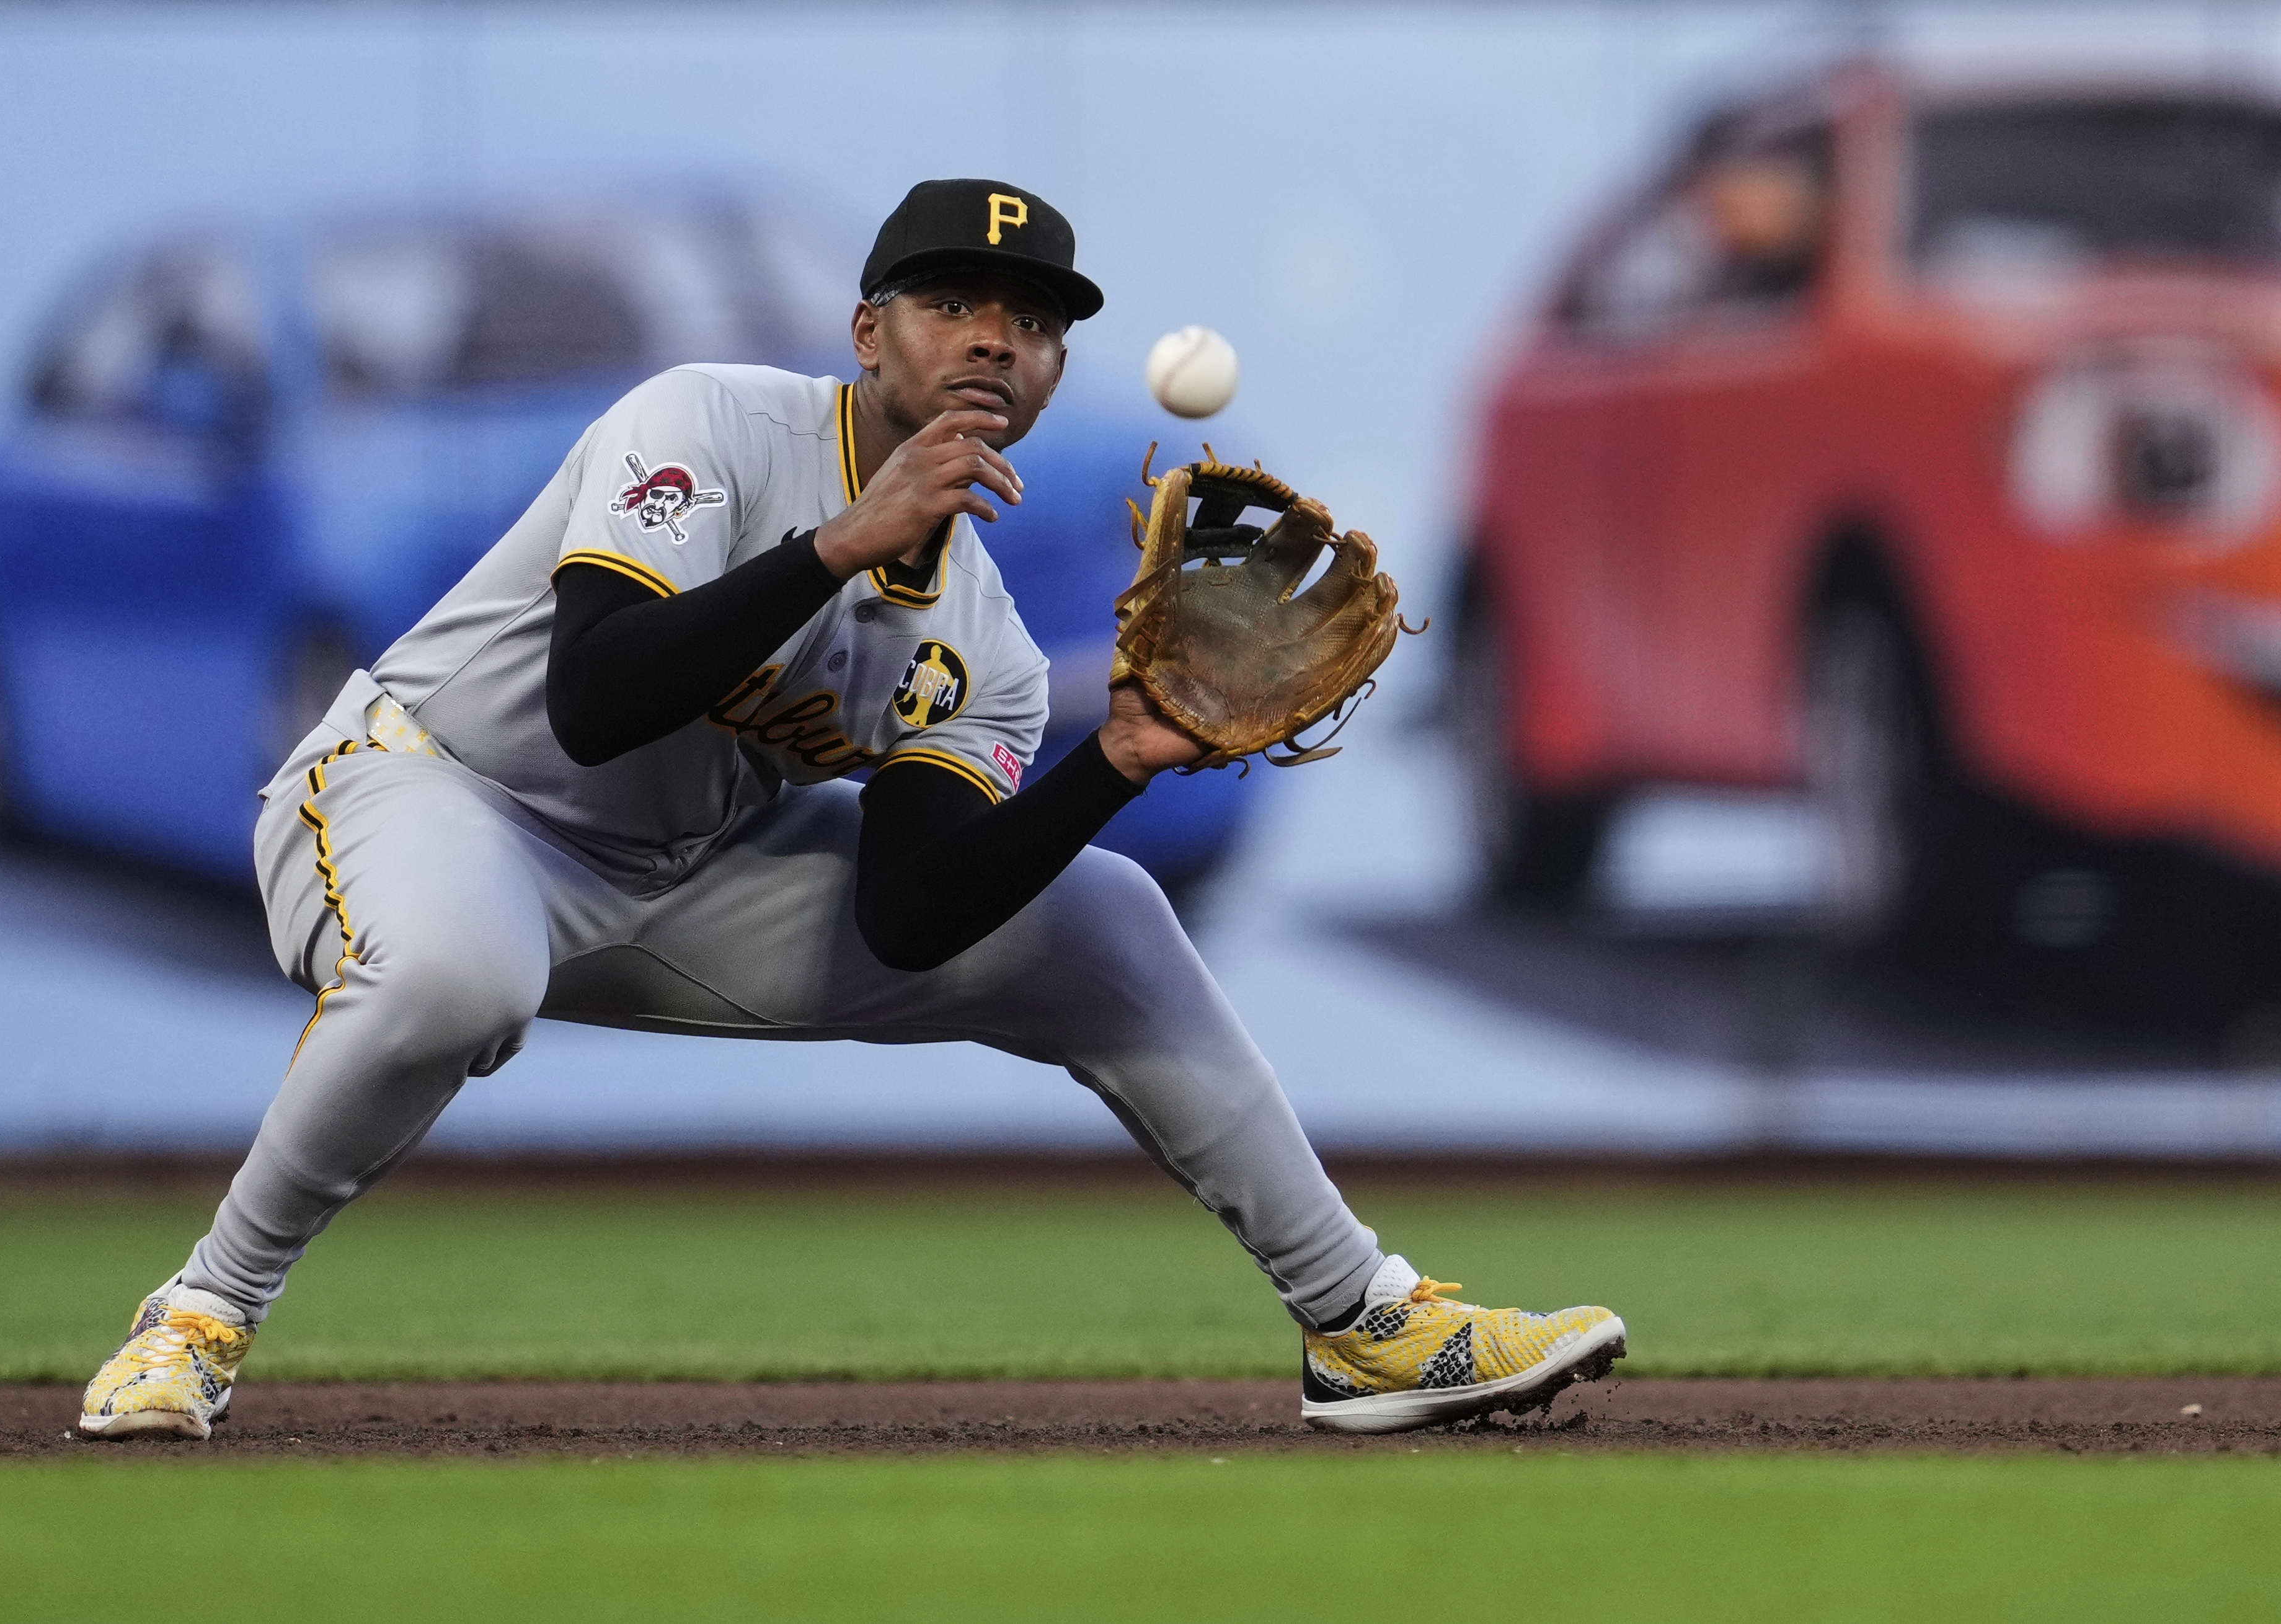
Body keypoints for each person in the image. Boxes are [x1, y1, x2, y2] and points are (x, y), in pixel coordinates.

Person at [78, 179, 1624, 1440]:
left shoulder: (992, 641)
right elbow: (597, 697)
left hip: (680, 877)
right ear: (867, 331)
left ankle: (1361, 1322)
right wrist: (832, 544)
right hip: (428, 791)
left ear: (1055, 373)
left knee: (1108, 918)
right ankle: (202, 1311)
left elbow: (911, 910)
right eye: (954, 303)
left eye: (1030, 323)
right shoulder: (705, 422)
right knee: (457, 972)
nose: (993, 340)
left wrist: (1116, 760)